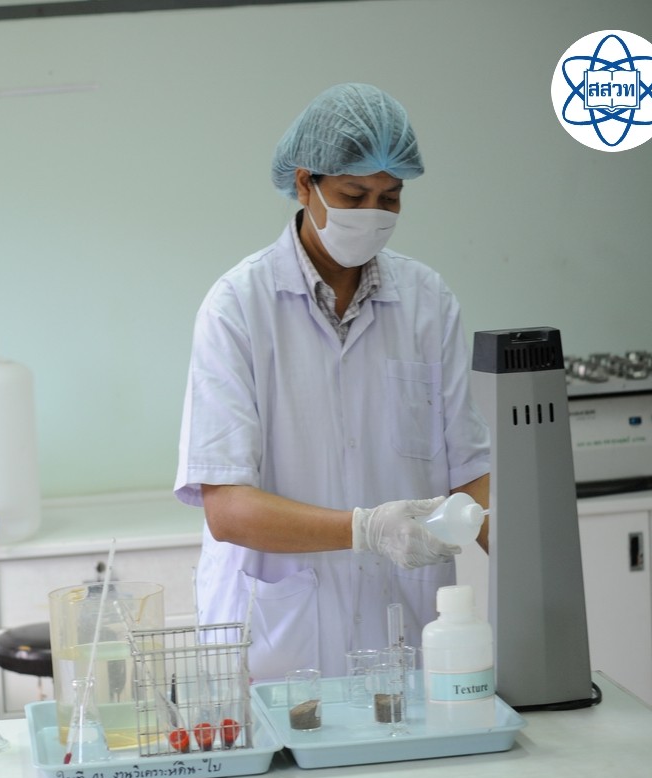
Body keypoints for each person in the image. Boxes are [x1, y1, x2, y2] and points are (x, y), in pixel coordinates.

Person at [174, 82, 490, 681]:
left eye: (390, 198)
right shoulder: (238, 307)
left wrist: (537, 580)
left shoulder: (427, 303)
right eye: (353, 195)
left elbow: (472, 475)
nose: (373, 214)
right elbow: (228, 509)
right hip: (280, 647)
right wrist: (365, 530)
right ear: (305, 184)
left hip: (407, 639)